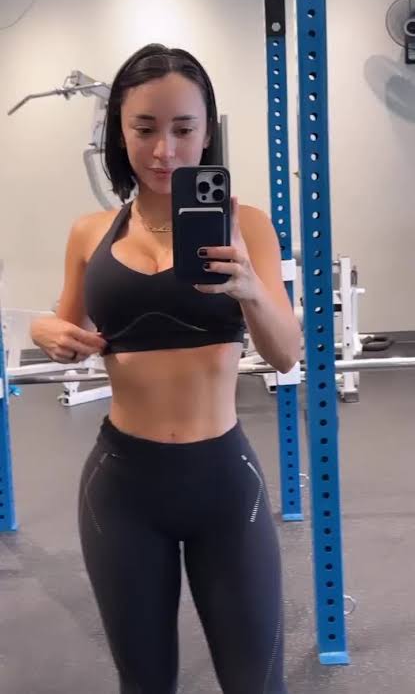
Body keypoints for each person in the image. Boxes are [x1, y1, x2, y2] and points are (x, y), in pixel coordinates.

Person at [31, 44, 301, 694]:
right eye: (145, 129)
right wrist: (45, 332)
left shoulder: (247, 226)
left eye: (183, 129)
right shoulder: (89, 233)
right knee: (145, 681)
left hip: (222, 482)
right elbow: (69, 333)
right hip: (122, 485)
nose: (163, 151)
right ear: (118, 134)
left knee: (256, 683)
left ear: (207, 132)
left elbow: (286, 353)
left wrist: (250, 288)